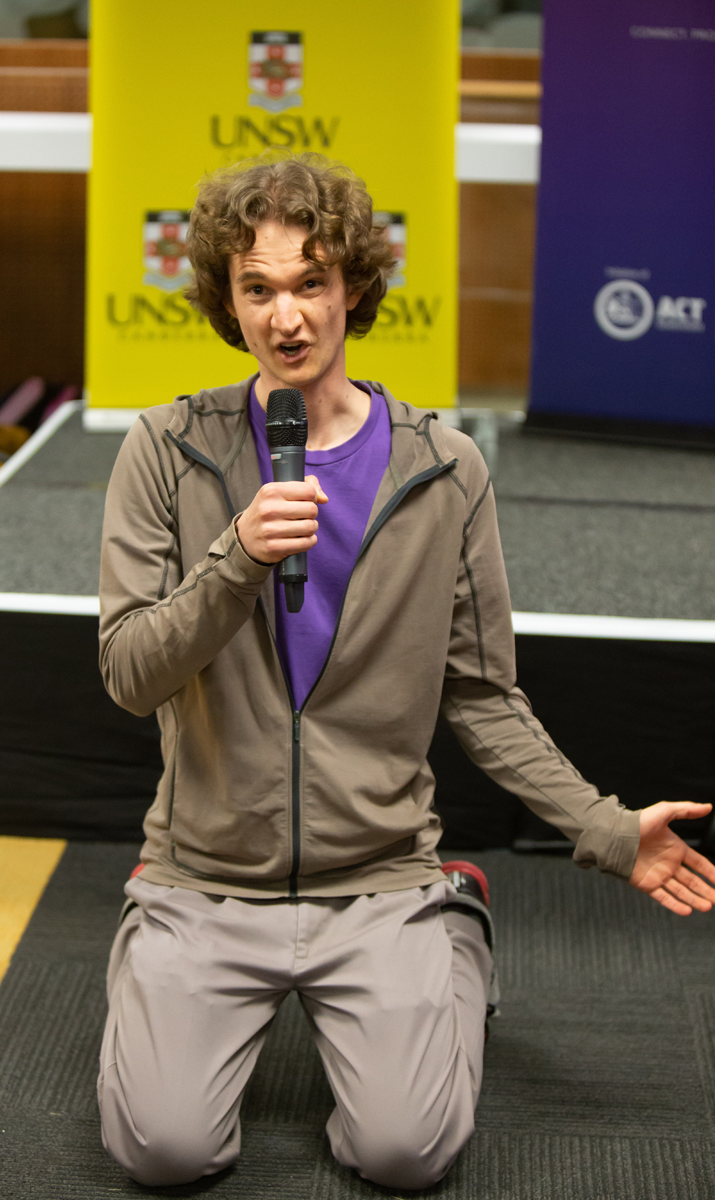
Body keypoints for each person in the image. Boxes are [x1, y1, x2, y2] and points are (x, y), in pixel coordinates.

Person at [96, 153, 715, 1190]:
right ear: (224, 298)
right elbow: (127, 670)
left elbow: (479, 693)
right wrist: (236, 557)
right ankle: (153, 934)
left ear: (352, 289)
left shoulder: (444, 469)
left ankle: (451, 927)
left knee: (404, 1156)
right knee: (162, 1153)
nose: (285, 316)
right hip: (205, 879)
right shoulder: (167, 450)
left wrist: (606, 830)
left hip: (377, 879)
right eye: (257, 288)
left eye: (310, 283)